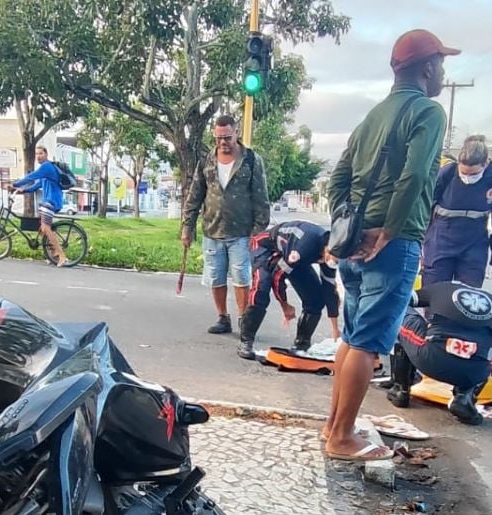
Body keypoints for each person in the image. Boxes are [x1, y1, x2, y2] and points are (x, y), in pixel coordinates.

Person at [323, 29, 456, 462]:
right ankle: (342, 437)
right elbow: (417, 176)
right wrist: (390, 230)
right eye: (442, 65)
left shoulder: (373, 117)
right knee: (367, 343)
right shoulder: (428, 112)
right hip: (392, 243)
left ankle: (333, 427)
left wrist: (350, 224)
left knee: (352, 336)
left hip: (356, 241)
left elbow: (338, 178)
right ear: (429, 67)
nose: (442, 73)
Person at [181, 115, 270, 337]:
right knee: (215, 276)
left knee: (242, 276)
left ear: (236, 133)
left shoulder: (251, 160)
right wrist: (187, 227)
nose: (223, 142)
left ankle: (243, 319)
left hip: (242, 232)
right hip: (212, 229)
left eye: (227, 137)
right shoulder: (206, 160)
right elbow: (195, 195)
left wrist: (258, 233)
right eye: (219, 138)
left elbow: (261, 198)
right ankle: (223, 317)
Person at [388, 281, 492, 425]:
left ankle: (400, 389)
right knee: (485, 357)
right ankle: (464, 397)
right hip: (475, 372)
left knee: (401, 312)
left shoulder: (442, 288)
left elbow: (401, 299)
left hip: (432, 359)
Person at [238, 220, 341, 359]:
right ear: (327, 247)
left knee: (316, 299)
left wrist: (335, 329)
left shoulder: (331, 255)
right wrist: (285, 306)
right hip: (265, 248)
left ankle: (301, 344)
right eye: (330, 257)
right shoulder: (304, 248)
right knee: (261, 289)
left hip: (290, 256)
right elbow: (277, 277)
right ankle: (246, 340)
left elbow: (329, 290)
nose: (330, 261)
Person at [421, 134, 492, 287]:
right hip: (439, 243)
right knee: (433, 296)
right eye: (463, 173)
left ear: (485, 164)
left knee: (468, 300)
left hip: (474, 247)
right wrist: (420, 245)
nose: (467, 178)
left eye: (473, 174)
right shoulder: (446, 174)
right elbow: (424, 211)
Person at [11, 146, 67, 266]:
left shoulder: (47, 167)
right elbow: (36, 186)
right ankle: (54, 256)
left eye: (41, 153)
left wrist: (14, 184)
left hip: (51, 201)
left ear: (46, 154)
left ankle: (61, 255)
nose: (38, 156)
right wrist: (23, 191)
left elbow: (31, 177)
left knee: (46, 228)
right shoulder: (45, 171)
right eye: (36, 154)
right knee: (42, 228)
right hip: (47, 201)